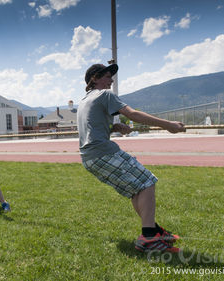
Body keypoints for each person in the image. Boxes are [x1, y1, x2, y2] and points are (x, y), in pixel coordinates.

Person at [77, 64, 186, 253]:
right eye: (107, 76)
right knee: (147, 181)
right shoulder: (104, 95)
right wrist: (168, 125)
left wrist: (115, 128)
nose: (111, 80)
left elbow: (90, 130)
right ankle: (149, 238)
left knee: (137, 188)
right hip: (103, 152)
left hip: (89, 159)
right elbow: (133, 113)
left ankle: (154, 231)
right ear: (94, 78)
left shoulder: (84, 101)